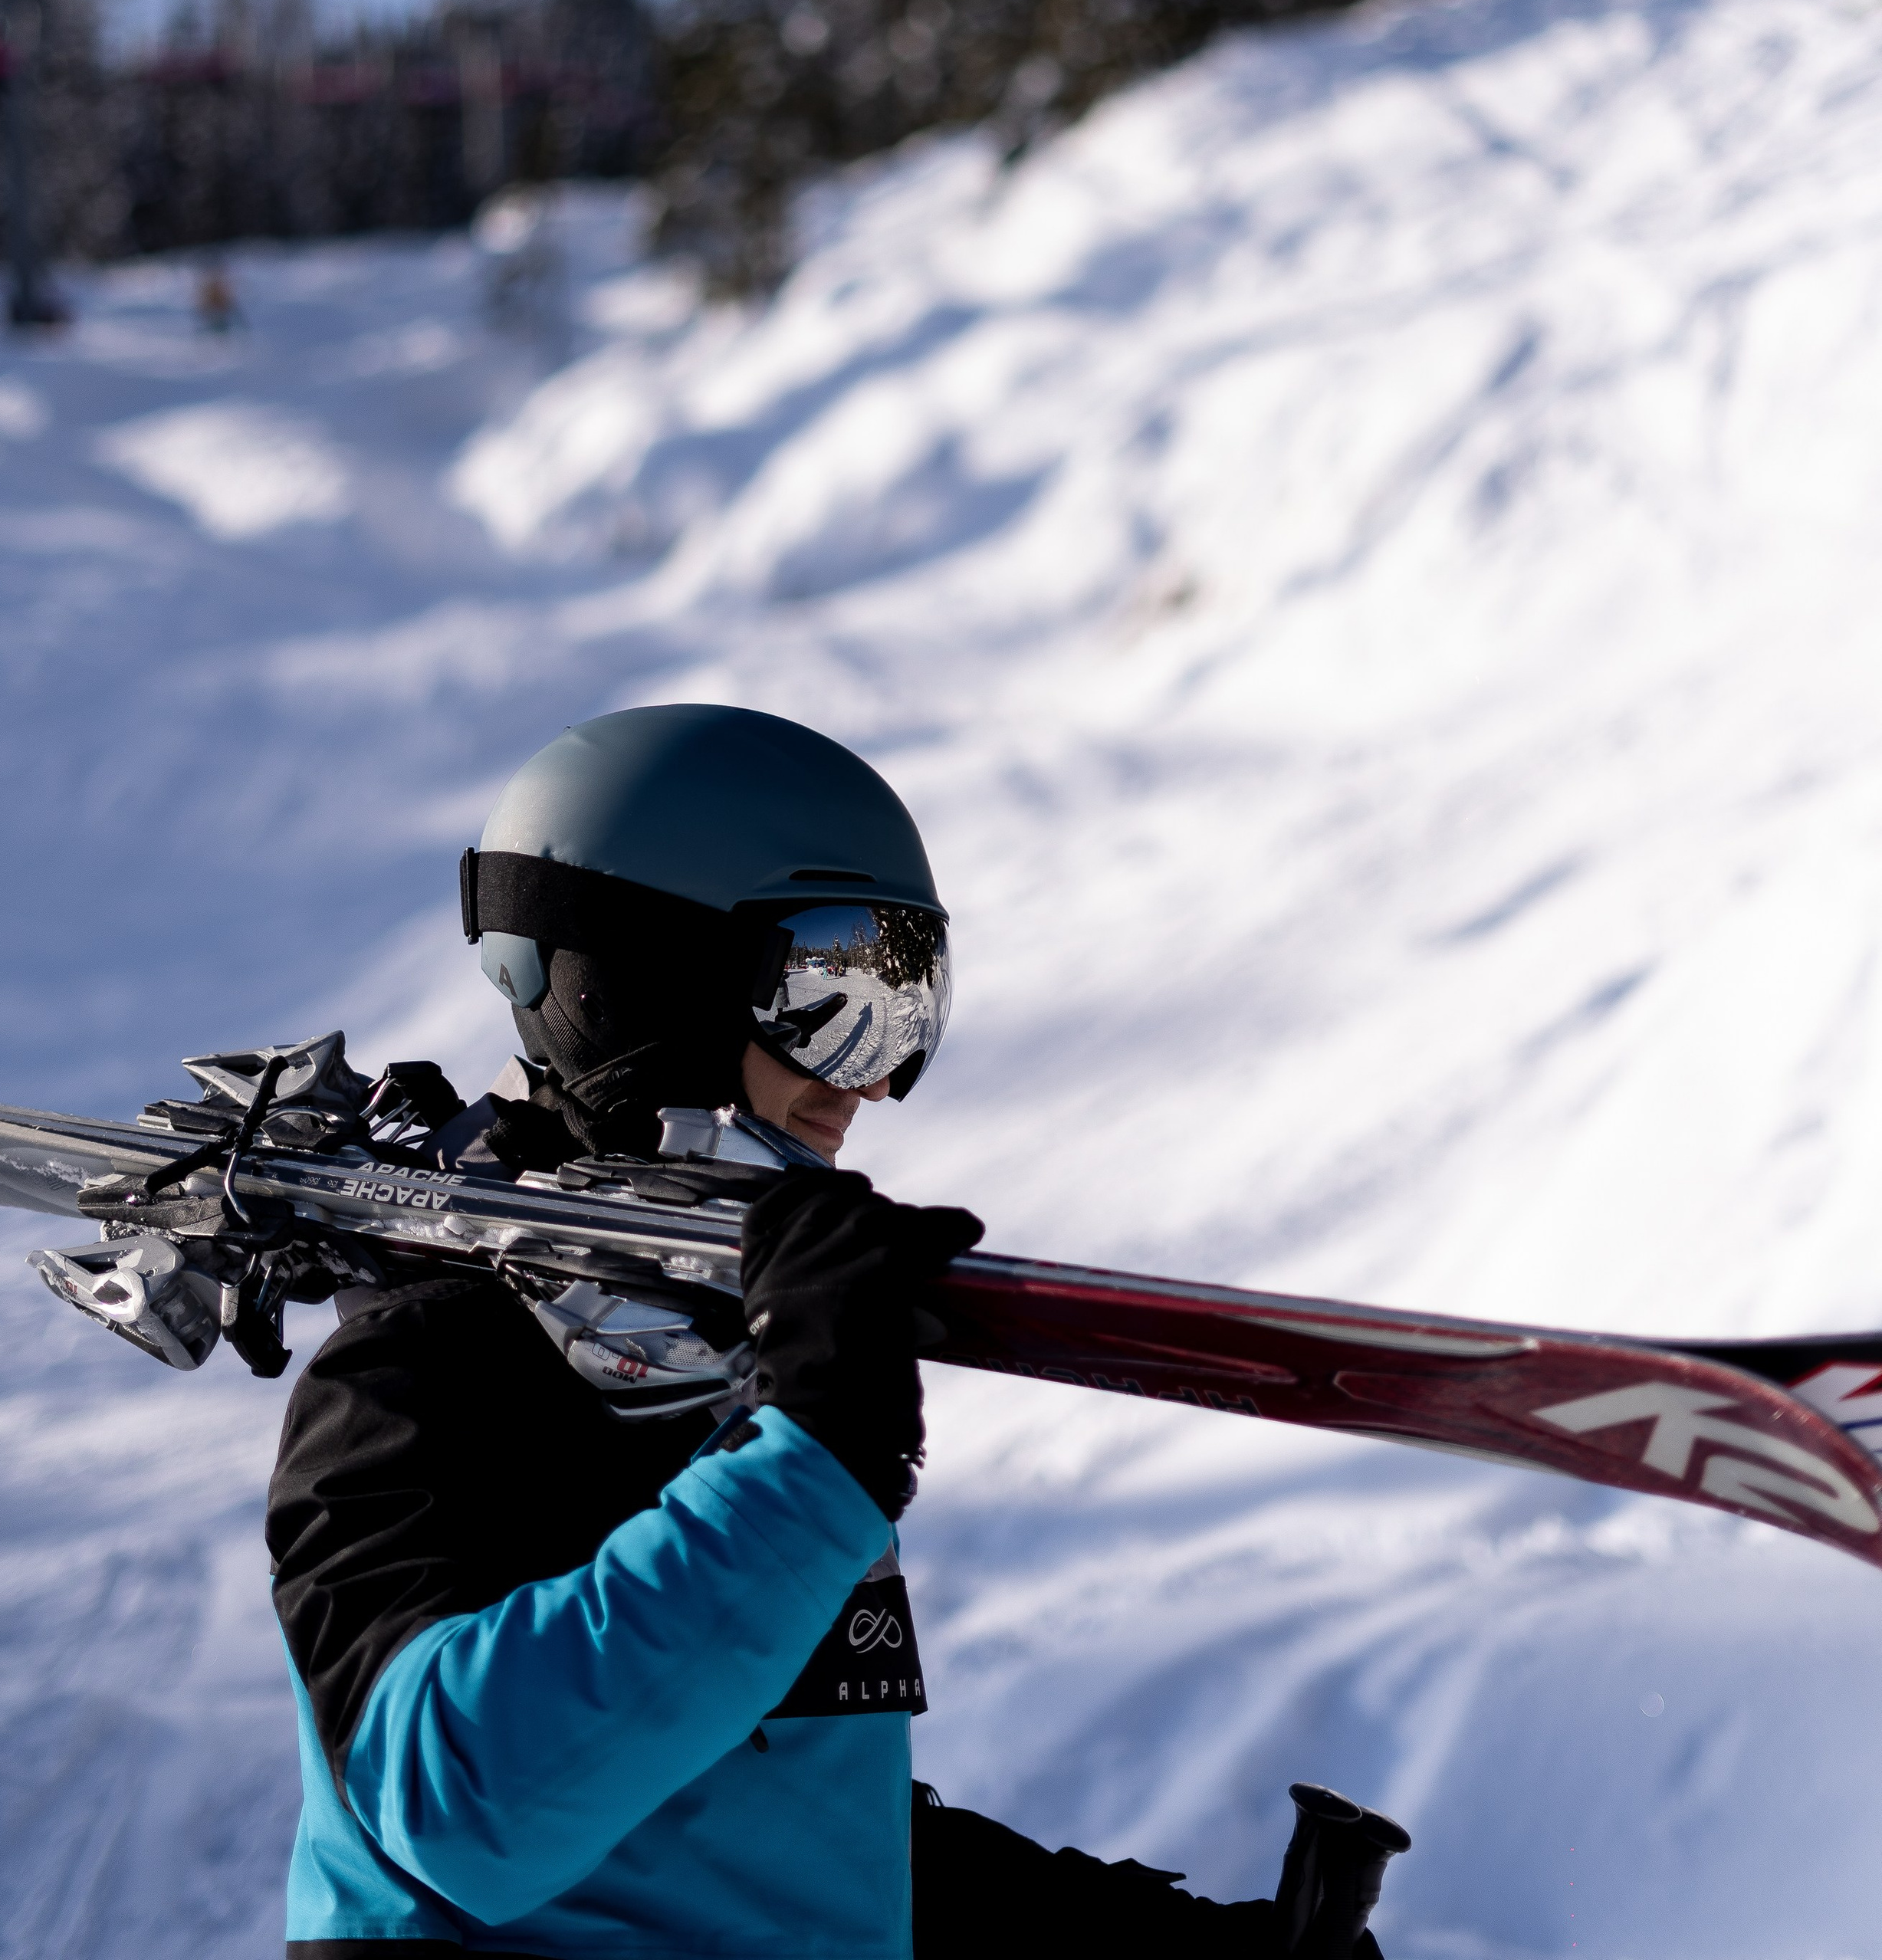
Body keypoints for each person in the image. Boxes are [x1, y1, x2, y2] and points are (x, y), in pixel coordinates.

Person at [268, 703, 1294, 1958]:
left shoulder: (714, 1370)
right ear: (647, 979)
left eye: (905, 1011)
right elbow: (454, 1806)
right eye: (830, 997)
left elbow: (764, 1829)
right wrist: (818, 1454)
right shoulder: (431, 1360)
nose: (865, 1082)